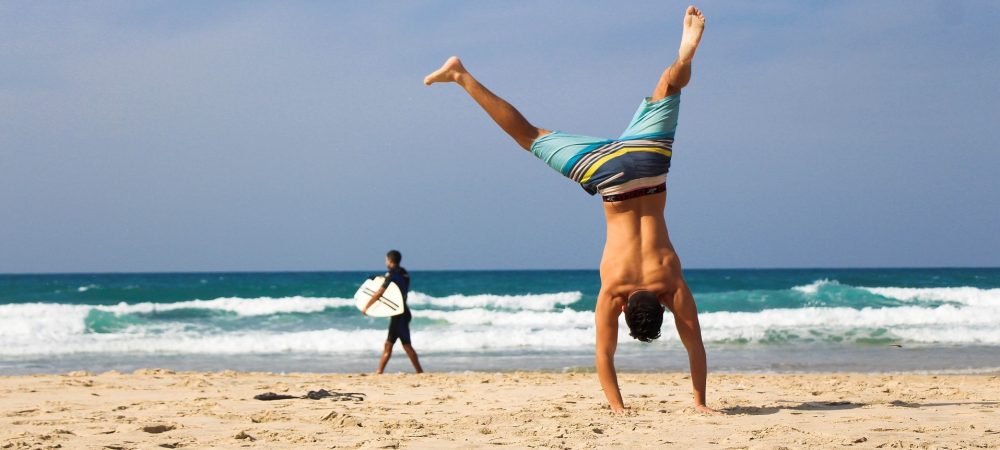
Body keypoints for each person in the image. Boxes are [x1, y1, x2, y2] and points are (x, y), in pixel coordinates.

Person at [424, 6, 717, 413]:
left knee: (669, 86)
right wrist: (620, 407)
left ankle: (683, 58)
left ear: (660, 306)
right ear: (624, 310)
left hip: (648, 165)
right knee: (528, 135)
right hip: (608, 180)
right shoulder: (614, 290)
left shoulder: (670, 284)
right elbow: (604, 356)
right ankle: (460, 75)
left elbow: (696, 347)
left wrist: (701, 401)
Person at [362, 250, 424, 374]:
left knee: (406, 345)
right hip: (402, 312)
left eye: (386, 260)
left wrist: (366, 306)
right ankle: (379, 371)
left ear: (390, 260)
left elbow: (380, 293)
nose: (385, 262)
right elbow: (396, 283)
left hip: (399, 315)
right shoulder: (404, 273)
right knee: (389, 344)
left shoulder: (392, 275)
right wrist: (382, 278)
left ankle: (420, 372)